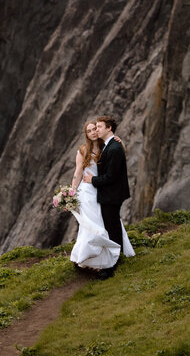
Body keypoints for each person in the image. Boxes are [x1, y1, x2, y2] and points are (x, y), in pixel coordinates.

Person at [69, 121, 129, 273]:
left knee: (104, 223)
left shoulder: (106, 146)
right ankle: (87, 257)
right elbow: (78, 172)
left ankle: (108, 255)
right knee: (91, 224)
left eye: (95, 128)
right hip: (88, 191)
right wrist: (71, 192)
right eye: (89, 131)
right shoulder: (83, 150)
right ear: (87, 135)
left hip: (101, 189)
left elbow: (116, 159)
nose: (93, 132)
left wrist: (119, 141)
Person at [83, 115, 134, 279]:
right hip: (110, 194)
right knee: (113, 227)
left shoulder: (113, 148)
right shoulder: (110, 145)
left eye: (99, 127)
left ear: (108, 128)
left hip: (112, 195)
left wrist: (92, 180)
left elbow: (111, 176)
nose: (96, 130)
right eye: (94, 128)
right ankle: (114, 259)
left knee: (112, 229)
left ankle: (111, 266)